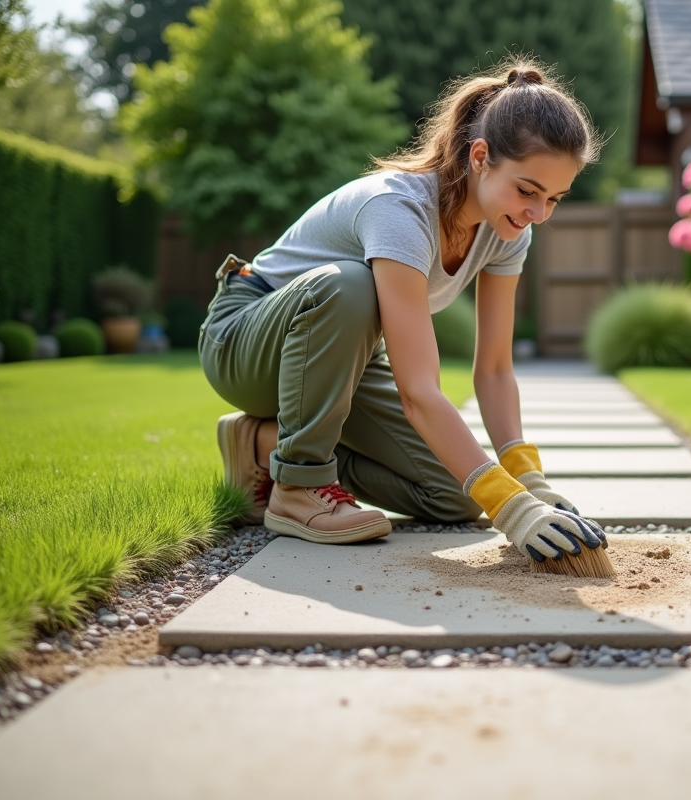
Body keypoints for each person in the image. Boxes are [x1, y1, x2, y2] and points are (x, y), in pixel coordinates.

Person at [201, 58, 607, 565]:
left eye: (555, 198)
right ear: (481, 156)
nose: (538, 214)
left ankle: (262, 445)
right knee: (350, 284)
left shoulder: (507, 232)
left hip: (340, 364)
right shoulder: (398, 209)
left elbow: (496, 368)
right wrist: (513, 512)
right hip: (244, 341)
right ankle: (298, 486)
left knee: (458, 495)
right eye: (528, 190)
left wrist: (526, 482)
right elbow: (419, 392)